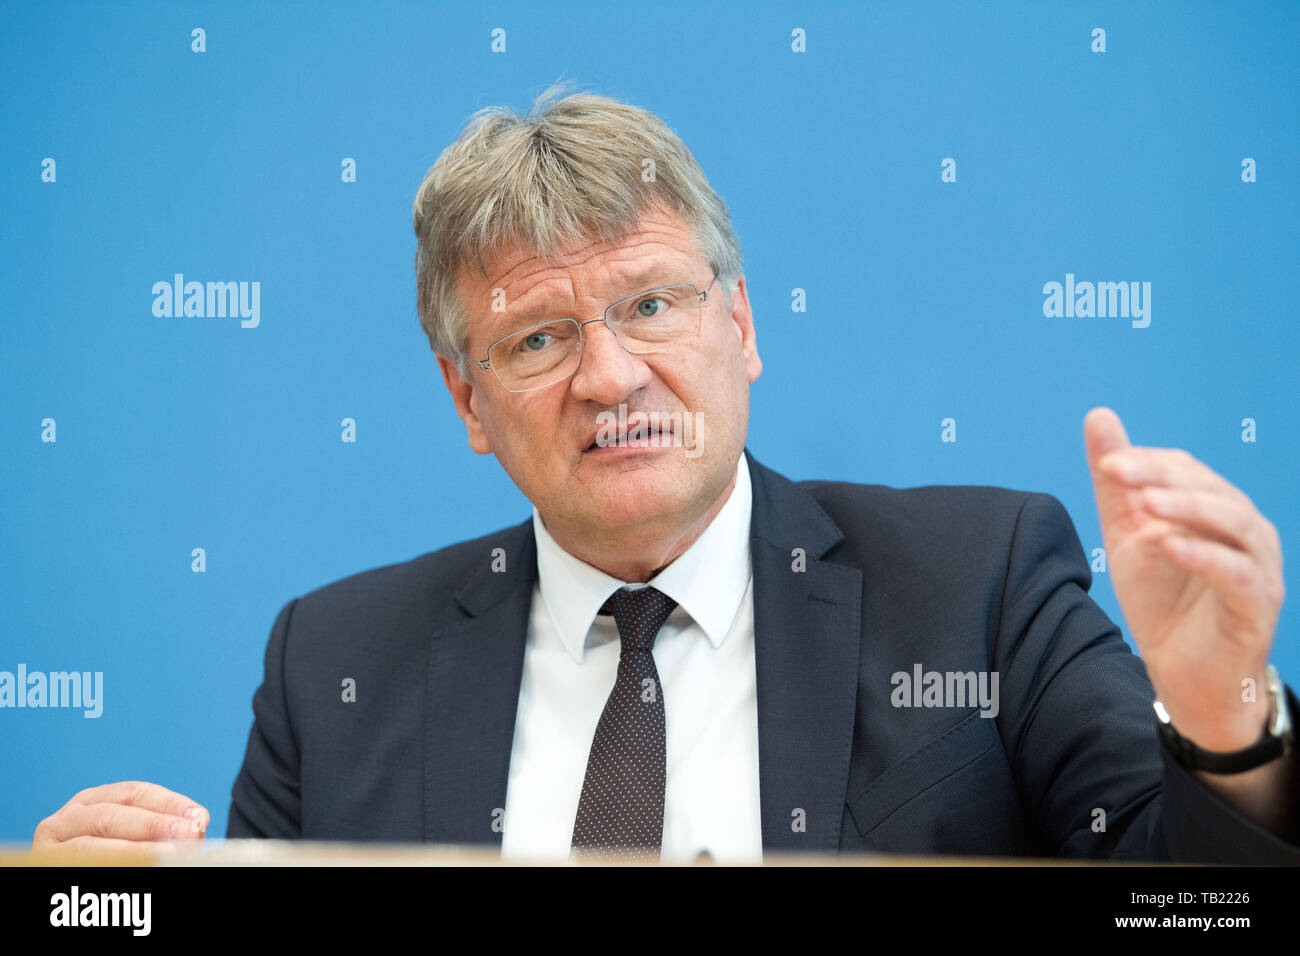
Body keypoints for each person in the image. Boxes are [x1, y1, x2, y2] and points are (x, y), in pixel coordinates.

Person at [32, 87, 1298, 863]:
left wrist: (1226, 716)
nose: (608, 375)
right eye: (538, 338)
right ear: (465, 399)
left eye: (649, 302)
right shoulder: (332, 662)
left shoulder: (979, 581)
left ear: (740, 327)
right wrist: (90, 912)